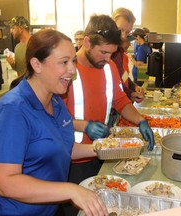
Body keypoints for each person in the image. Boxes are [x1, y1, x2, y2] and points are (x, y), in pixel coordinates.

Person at [0, 29, 108, 216]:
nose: (73, 70)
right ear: (36, 64)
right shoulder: (13, 110)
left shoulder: (55, 101)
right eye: (64, 62)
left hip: (52, 208)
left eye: (73, 61)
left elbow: (61, 147)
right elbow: (5, 183)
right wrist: (71, 190)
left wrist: (101, 148)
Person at [61, 13, 154, 197]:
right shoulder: (67, 71)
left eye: (111, 53)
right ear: (87, 42)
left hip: (102, 152)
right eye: (103, 52)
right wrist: (84, 125)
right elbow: (53, 119)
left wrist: (140, 120)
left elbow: (120, 100)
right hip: (72, 159)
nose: (107, 58)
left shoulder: (109, 66)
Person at [111, 7, 145, 103]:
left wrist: (132, 89)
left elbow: (122, 76)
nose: (123, 36)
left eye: (127, 32)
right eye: (120, 30)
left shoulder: (119, 53)